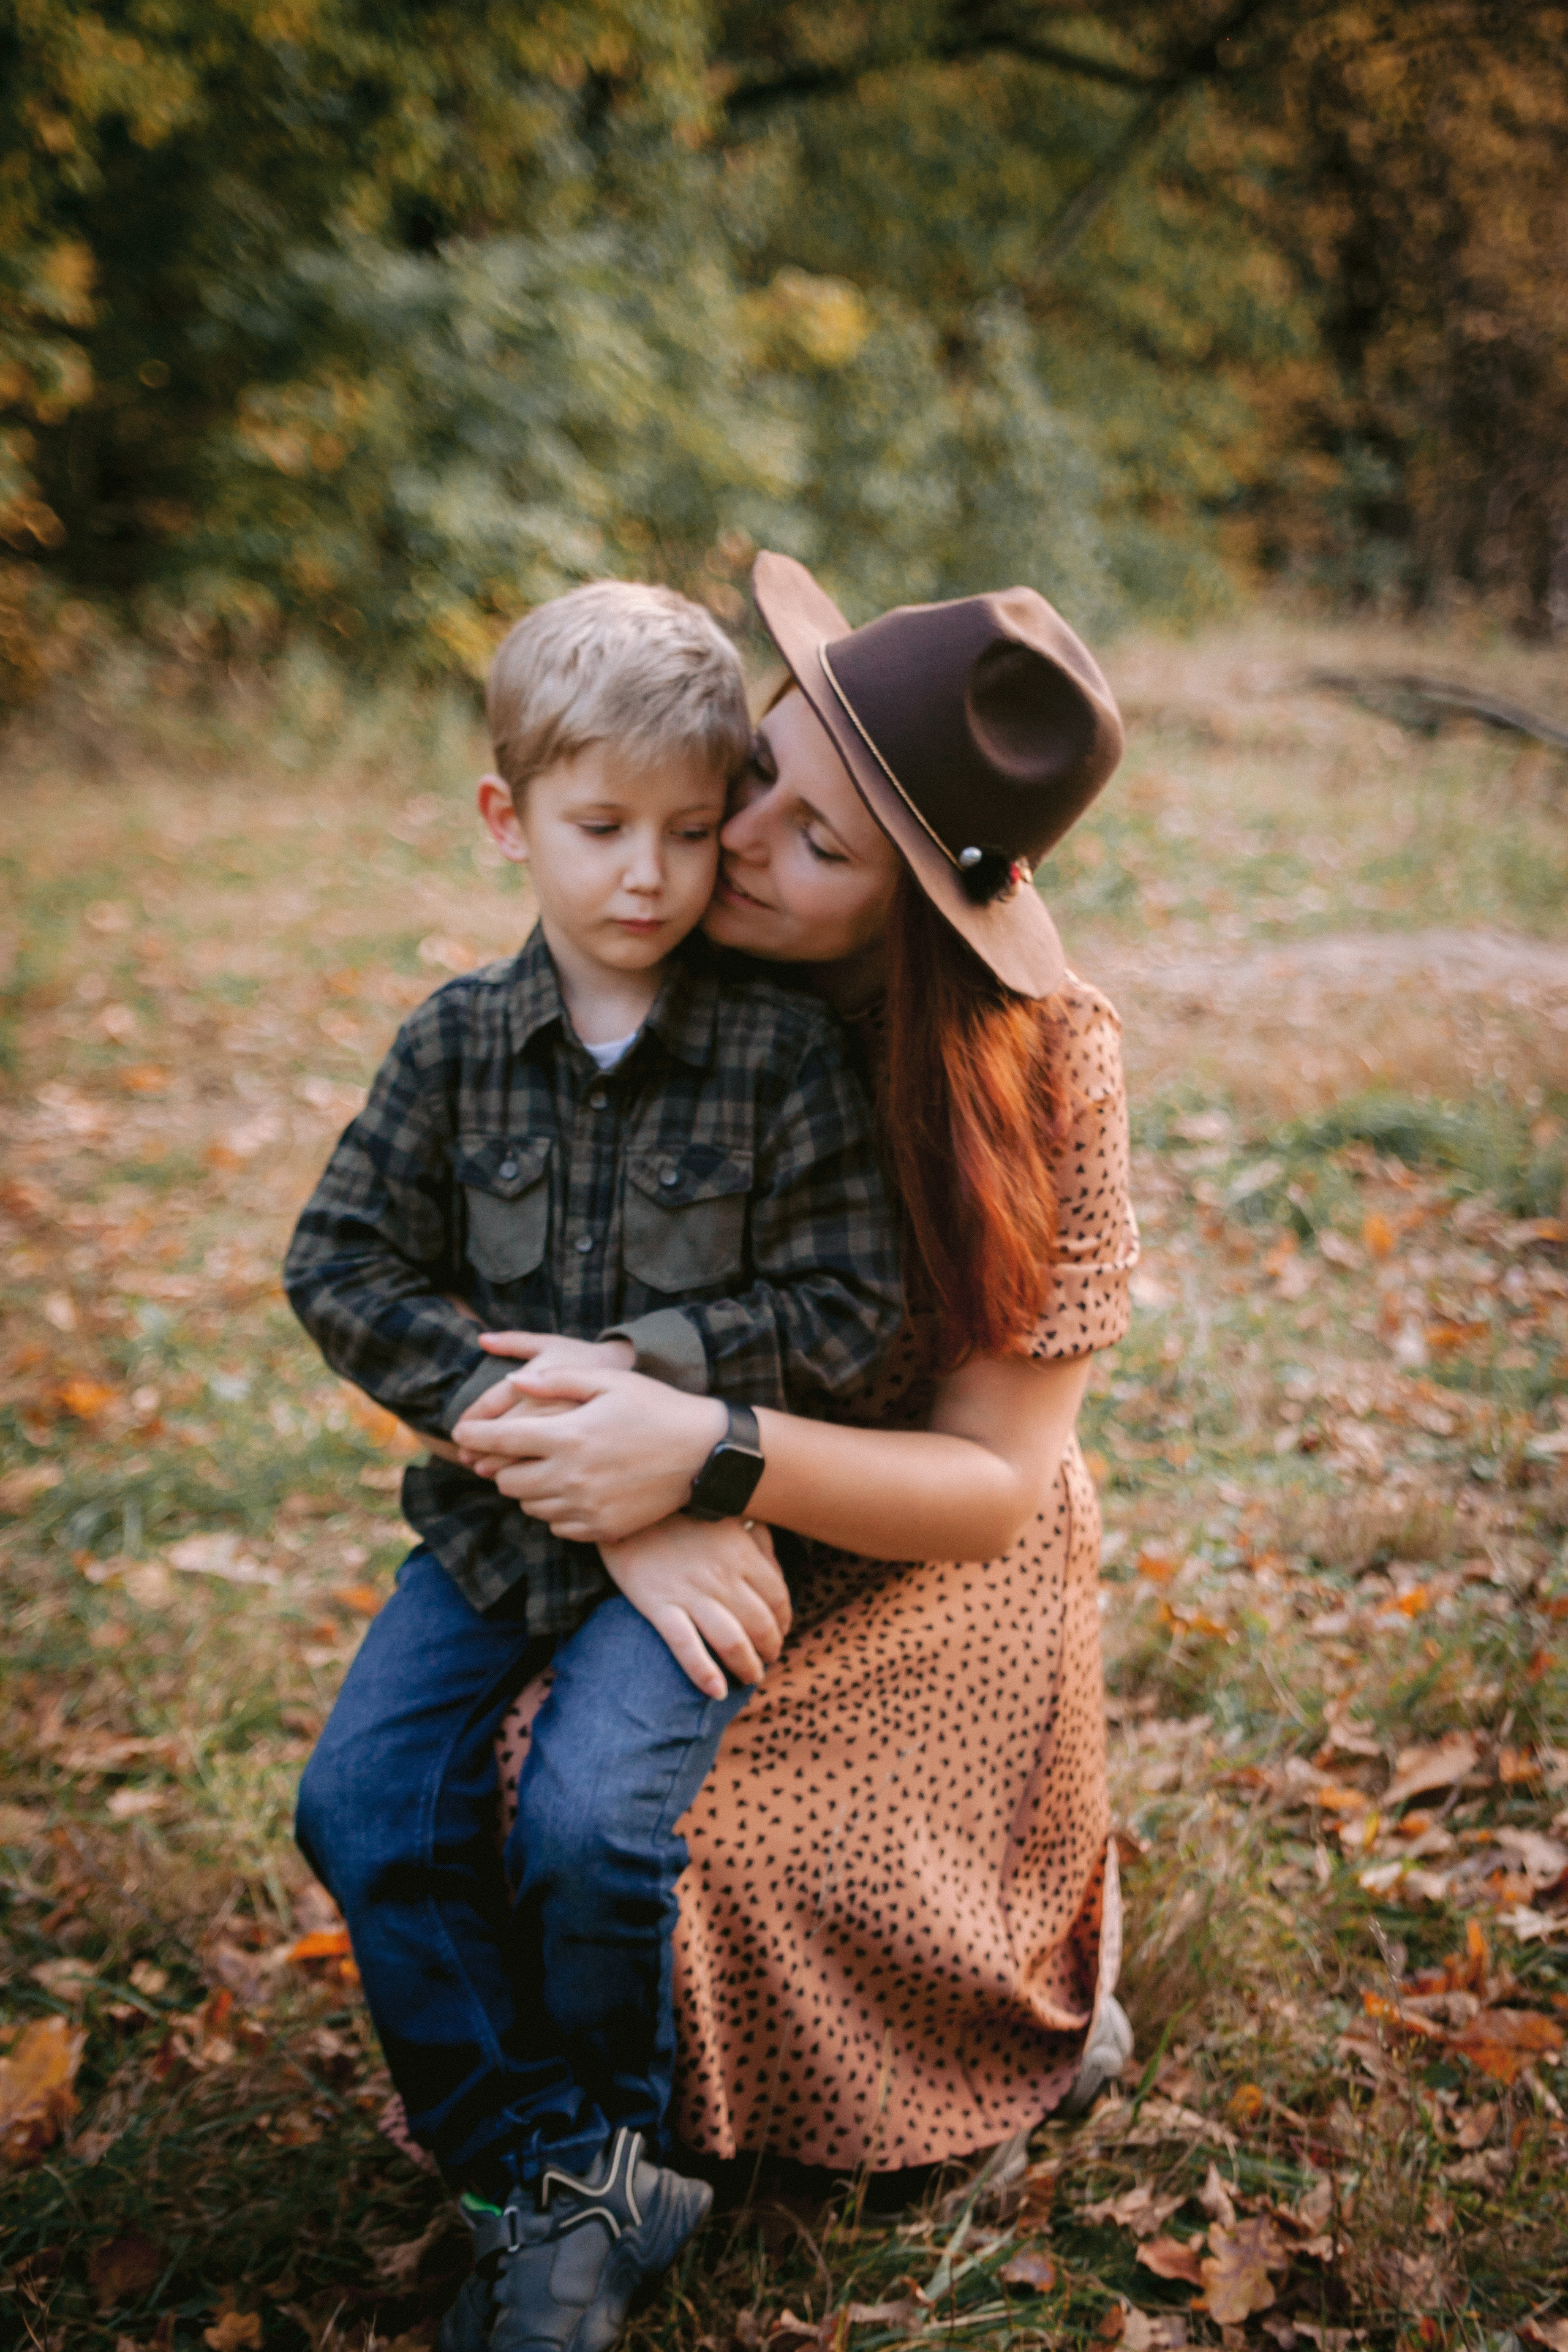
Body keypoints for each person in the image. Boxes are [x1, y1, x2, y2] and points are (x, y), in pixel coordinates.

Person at [455, 550, 1139, 2182]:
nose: (739, 840)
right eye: (755, 772)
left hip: (927, 1546)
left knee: (730, 1853)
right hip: (679, 1501)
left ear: (924, 908)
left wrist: (706, 1452)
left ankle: (979, 2016)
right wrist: (637, 1509)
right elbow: (487, 1301)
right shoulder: (645, 944)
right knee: (506, 1785)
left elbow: (993, 1481)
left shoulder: (1047, 1068)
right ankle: (583, 2146)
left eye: (820, 843)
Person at [282, 579, 903, 2352]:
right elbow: (340, 1265)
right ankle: (558, 2172)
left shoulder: (780, 1056)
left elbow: (851, 1309)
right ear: (511, 819)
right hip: (498, 1531)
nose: (648, 876)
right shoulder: (454, 1046)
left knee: (590, 1827)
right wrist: (533, 1439)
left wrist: (648, 1383)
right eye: (601, 827)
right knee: (361, 1804)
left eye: (692, 833)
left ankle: (619, 2150)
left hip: (695, 1530)